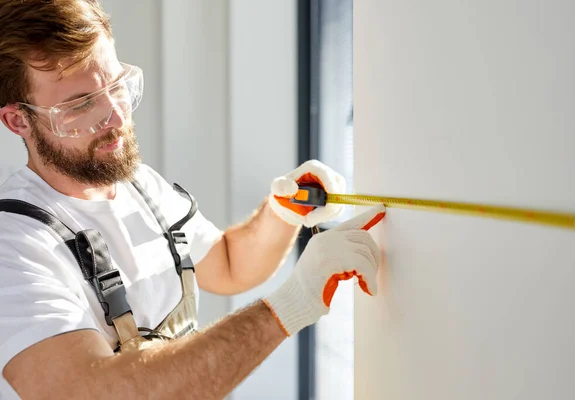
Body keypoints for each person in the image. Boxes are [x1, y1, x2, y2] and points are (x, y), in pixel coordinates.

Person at [0, 1, 386, 399]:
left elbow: (229, 264)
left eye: (115, 86)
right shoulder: (14, 245)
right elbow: (93, 392)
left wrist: (282, 213)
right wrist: (293, 303)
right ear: (19, 120)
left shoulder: (141, 187)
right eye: (81, 105)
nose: (115, 117)